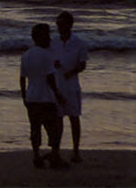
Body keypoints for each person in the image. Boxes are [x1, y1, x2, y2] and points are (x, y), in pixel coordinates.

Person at [20, 23, 68, 169]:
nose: (49, 38)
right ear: (39, 37)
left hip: (32, 97)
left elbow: (22, 78)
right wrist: (58, 93)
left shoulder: (26, 55)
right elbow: (50, 78)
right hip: (45, 98)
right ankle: (54, 156)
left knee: (35, 128)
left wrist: (24, 96)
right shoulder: (46, 55)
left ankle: (36, 156)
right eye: (46, 35)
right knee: (53, 128)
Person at [53, 11, 88, 163]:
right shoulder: (53, 42)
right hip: (57, 84)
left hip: (72, 85)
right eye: (58, 25)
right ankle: (57, 150)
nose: (59, 28)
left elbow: (83, 64)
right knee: (58, 119)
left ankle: (76, 150)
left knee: (74, 117)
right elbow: (48, 60)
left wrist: (72, 71)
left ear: (70, 25)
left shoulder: (79, 43)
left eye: (61, 25)